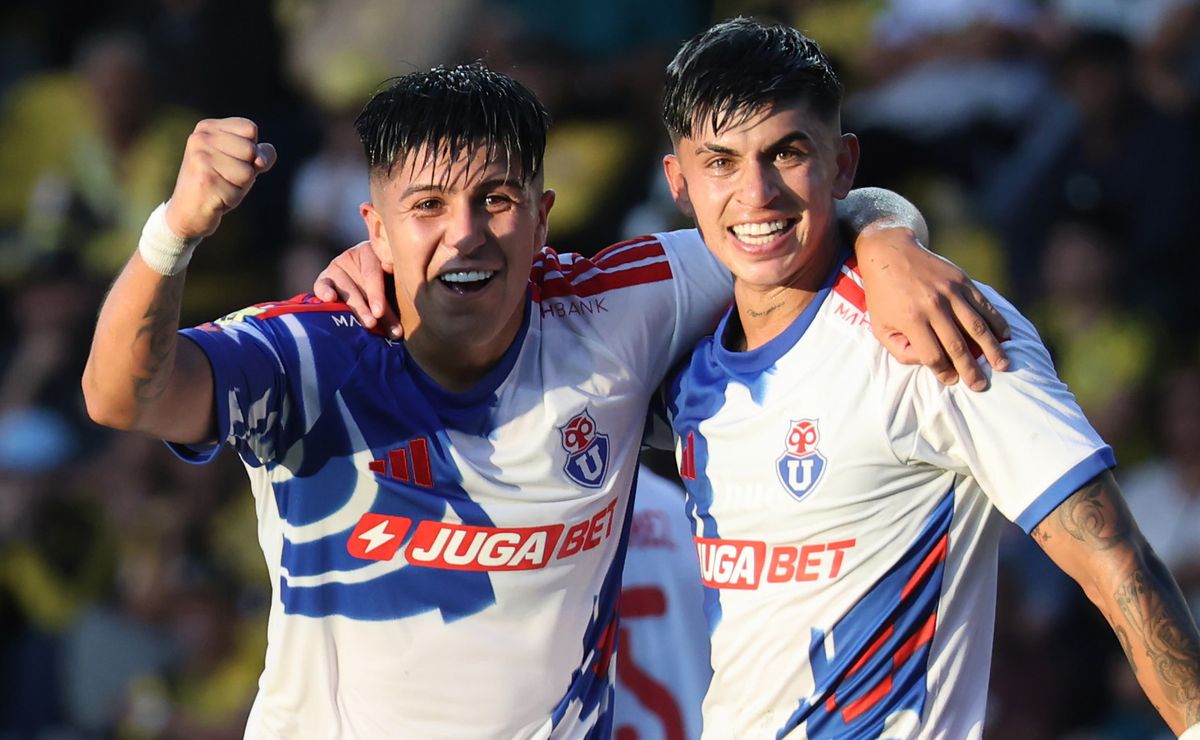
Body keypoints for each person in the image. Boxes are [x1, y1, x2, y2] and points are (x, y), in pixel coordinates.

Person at [82, 62, 1005, 737]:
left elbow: (780, 220)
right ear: (376, 227)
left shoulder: (617, 306)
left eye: (495, 199)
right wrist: (175, 232)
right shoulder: (309, 353)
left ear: (543, 215)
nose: (465, 235)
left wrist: (886, 239)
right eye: (428, 207)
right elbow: (122, 395)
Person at [653, 18, 1200, 738]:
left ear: (844, 164)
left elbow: (1115, 556)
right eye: (720, 161)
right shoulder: (682, 359)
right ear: (679, 181)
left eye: (786, 152)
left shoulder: (938, 330)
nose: (756, 194)